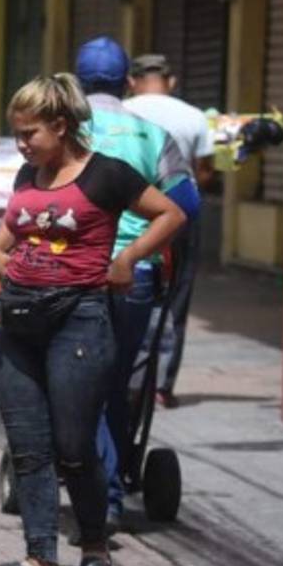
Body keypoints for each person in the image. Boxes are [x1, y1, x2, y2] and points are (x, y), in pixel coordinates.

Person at [0, 75, 185, 566]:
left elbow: (171, 214)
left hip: (80, 320)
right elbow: (2, 241)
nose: (21, 144)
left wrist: (128, 259)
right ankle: (40, 559)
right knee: (28, 445)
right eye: (17, 133)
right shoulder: (28, 174)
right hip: (20, 322)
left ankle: (94, 549)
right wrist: (6, 269)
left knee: (74, 445)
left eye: (29, 132)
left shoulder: (106, 174)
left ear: (61, 125)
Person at [74, 37, 199, 528]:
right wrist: (139, 248)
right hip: (136, 276)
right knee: (115, 380)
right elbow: (186, 205)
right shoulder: (152, 135)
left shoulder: (64, 130)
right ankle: (108, 487)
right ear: (127, 82)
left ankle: (97, 492)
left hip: (72, 274)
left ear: (78, 81)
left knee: (75, 381)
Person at [124, 54, 214, 408]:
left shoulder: (121, 112)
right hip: (180, 215)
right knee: (175, 297)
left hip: (130, 214)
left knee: (127, 288)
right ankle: (161, 386)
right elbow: (203, 173)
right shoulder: (193, 117)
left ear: (132, 82)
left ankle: (126, 376)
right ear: (171, 81)